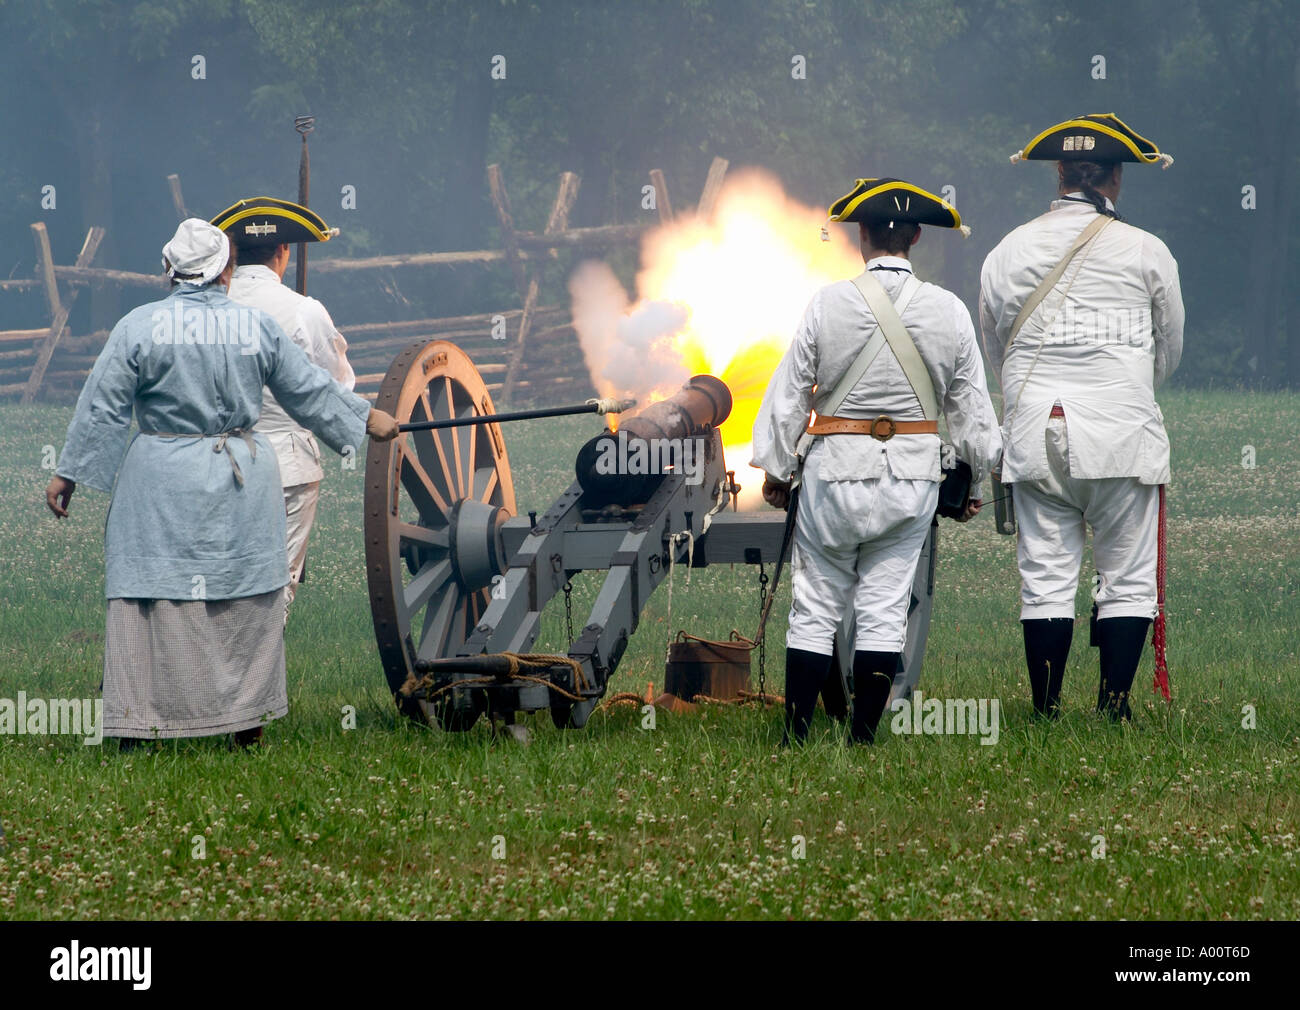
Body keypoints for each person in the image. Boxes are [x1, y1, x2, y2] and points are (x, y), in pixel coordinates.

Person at [44, 218, 401, 747]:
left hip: (159, 481)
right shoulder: (254, 327)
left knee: (152, 597)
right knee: (243, 598)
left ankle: (139, 726)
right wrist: (367, 420)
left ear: (169, 270)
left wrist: (66, 473)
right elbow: (308, 389)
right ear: (226, 272)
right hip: (240, 478)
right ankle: (244, 725)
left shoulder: (138, 327)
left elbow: (103, 407)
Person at [753, 178, 1002, 745]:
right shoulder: (950, 310)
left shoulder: (826, 303)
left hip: (832, 475)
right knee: (886, 607)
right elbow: (970, 411)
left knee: (815, 606)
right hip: (912, 479)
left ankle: (795, 736)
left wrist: (776, 469)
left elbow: (790, 394)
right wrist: (974, 478)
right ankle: (862, 738)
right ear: (915, 236)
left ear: (861, 236)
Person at [979, 114, 1184, 721]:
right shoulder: (1147, 250)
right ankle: (1113, 705)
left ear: (1060, 174)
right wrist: (1125, 388)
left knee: (1045, 576)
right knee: (1126, 578)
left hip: (1036, 434)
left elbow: (999, 352)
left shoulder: (1006, 250)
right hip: (1121, 434)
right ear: (1115, 179)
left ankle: (1046, 710)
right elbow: (1166, 349)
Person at [212, 197, 352, 621]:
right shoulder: (305, 310)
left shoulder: (207, 309)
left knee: (220, 584)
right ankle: (254, 683)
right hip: (288, 466)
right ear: (283, 252)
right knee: (274, 591)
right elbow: (337, 387)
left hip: (216, 461)